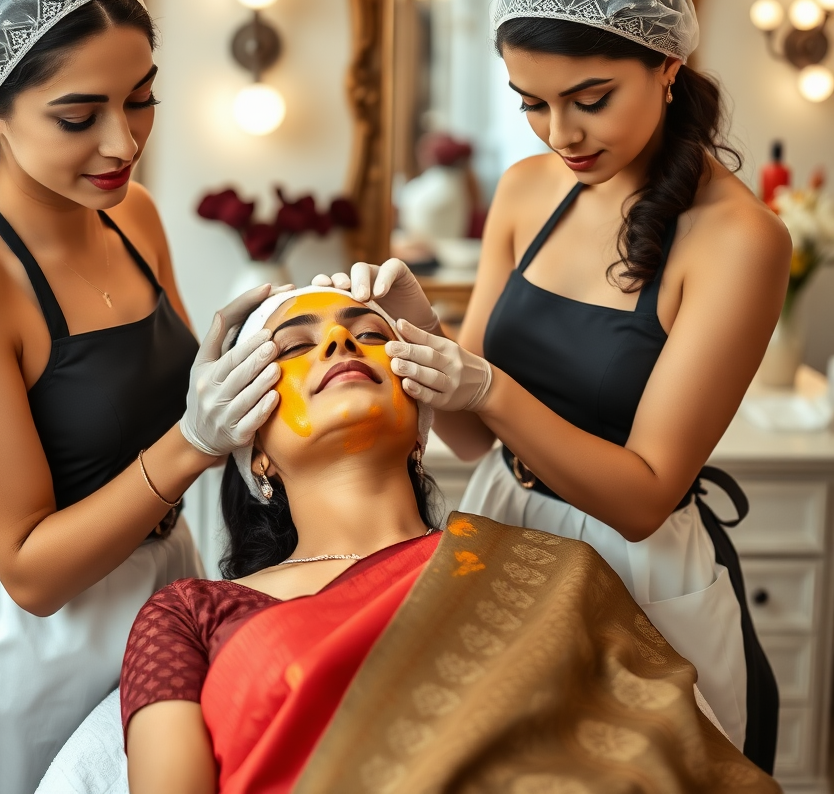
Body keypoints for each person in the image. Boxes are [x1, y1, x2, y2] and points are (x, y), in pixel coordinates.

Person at [314, 0, 790, 772]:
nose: (559, 135)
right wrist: (418, 328)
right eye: (531, 102)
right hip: (500, 525)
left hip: (633, 572)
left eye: (590, 97)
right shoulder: (527, 191)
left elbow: (643, 497)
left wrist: (485, 381)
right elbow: (470, 439)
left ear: (668, 65)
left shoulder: (740, 240)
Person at [119, 287, 778, 794]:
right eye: (294, 347)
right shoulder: (187, 617)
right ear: (254, 451)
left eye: (369, 334)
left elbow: (666, 757)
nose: (339, 347)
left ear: (420, 425)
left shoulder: (549, 571)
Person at [0, 0, 282, 794]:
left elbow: (165, 399)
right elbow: (30, 572)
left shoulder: (131, 215)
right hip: (39, 655)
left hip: (165, 592)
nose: (123, 141)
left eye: (141, 100)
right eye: (79, 117)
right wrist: (194, 437)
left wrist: (252, 351)